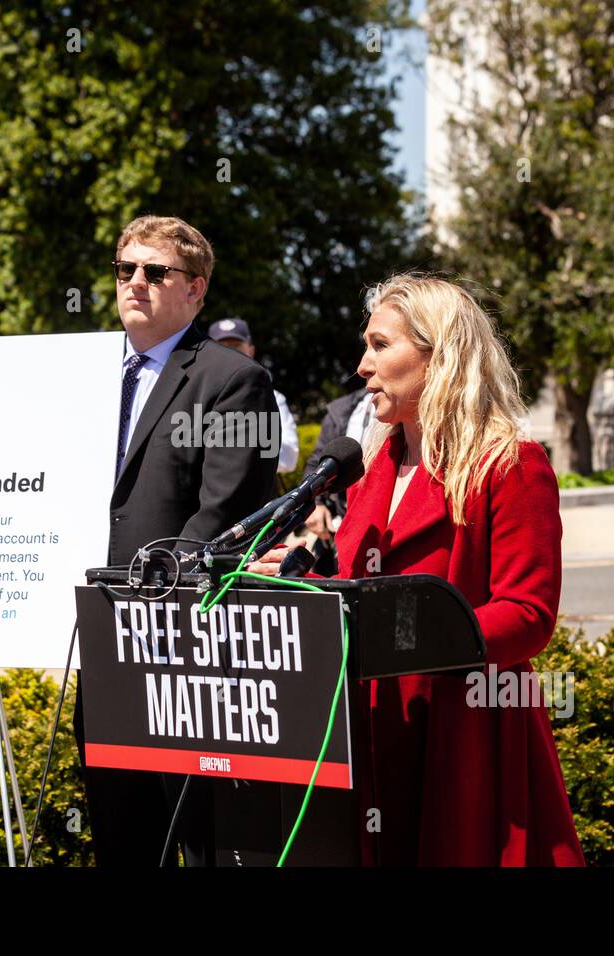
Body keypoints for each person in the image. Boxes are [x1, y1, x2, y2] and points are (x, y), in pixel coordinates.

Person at [249, 275, 585, 866]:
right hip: (371, 726)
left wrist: (409, 638)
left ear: (439, 356)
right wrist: (306, 592)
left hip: (466, 735)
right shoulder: (373, 467)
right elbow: (366, 594)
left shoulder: (510, 463)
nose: (361, 366)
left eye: (380, 345)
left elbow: (529, 615)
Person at [80, 215, 279, 867]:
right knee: (118, 837)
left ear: (195, 291)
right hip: (97, 637)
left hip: (180, 647)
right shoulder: (81, 375)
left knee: (191, 839)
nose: (134, 283)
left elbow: (225, 516)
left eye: (154, 271)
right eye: (124, 269)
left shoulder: (232, 380)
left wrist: (151, 586)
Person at [205, 318, 299, 473]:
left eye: (237, 346)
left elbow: (289, 458)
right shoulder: (195, 394)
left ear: (251, 351)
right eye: (221, 347)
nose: (230, 354)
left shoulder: (273, 397)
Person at [300, 386, 373, 574]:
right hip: (340, 529)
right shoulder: (342, 410)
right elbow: (317, 463)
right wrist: (315, 503)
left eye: (379, 353)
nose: (365, 367)